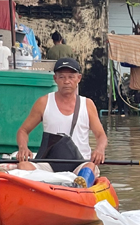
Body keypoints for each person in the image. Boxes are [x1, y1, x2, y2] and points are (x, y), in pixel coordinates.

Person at [16, 58, 107, 187]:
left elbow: (101, 135)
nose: (67, 81)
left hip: (80, 163)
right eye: (62, 77)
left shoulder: (87, 104)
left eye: (71, 77)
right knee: (23, 166)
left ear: (79, 78)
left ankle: (78, 188)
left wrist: (99, 150)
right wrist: (23, 148)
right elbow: (23, 131)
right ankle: (43, 189)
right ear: (55, 79)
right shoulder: (43, 102)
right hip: (50, 163)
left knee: (90, 167)